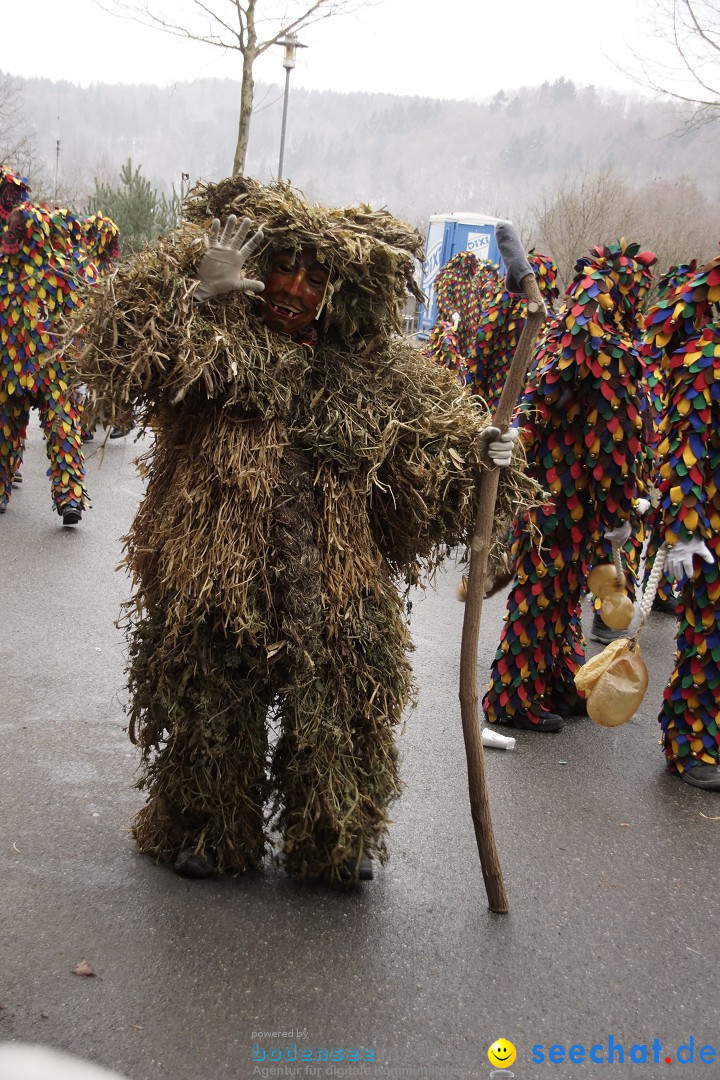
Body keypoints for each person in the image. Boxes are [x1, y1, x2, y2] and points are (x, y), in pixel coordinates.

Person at [69, 176, 531, 884]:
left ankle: (334, 837)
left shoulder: (369, 376)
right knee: (211, 702)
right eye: (283, 266)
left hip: (338, 581)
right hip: (216, 576)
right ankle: (210, 827)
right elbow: (116, 359)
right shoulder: (214, 343)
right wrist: (199, 298)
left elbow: (431, 454)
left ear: (337, 295)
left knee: (346, 706)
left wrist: (486, 455)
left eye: (316, 278)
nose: (294, 287)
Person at [483, 239, 655, 732]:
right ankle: (511, 702)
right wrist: (621, 511)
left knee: (558, 599)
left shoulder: (569, 341)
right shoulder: (611, 354)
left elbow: (538, 405)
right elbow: (613, 449)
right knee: (541, 602)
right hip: (566, 506)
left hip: (557, 505)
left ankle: (558, 681)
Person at [647, 254, 720, 789]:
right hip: (710, 530)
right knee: (707, 640)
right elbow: (685, 454)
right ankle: (689, 745)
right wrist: (685, 532)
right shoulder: (704, 362)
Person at [0, 202, 87, 523]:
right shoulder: (3, 270)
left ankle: (70, 501)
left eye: (18, 231)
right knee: (5, 430)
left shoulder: (62, 273)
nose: (11, 235)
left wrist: (78, 363)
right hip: (12, 370)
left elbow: (78, 320)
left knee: (63, 430)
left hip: (54, 371)